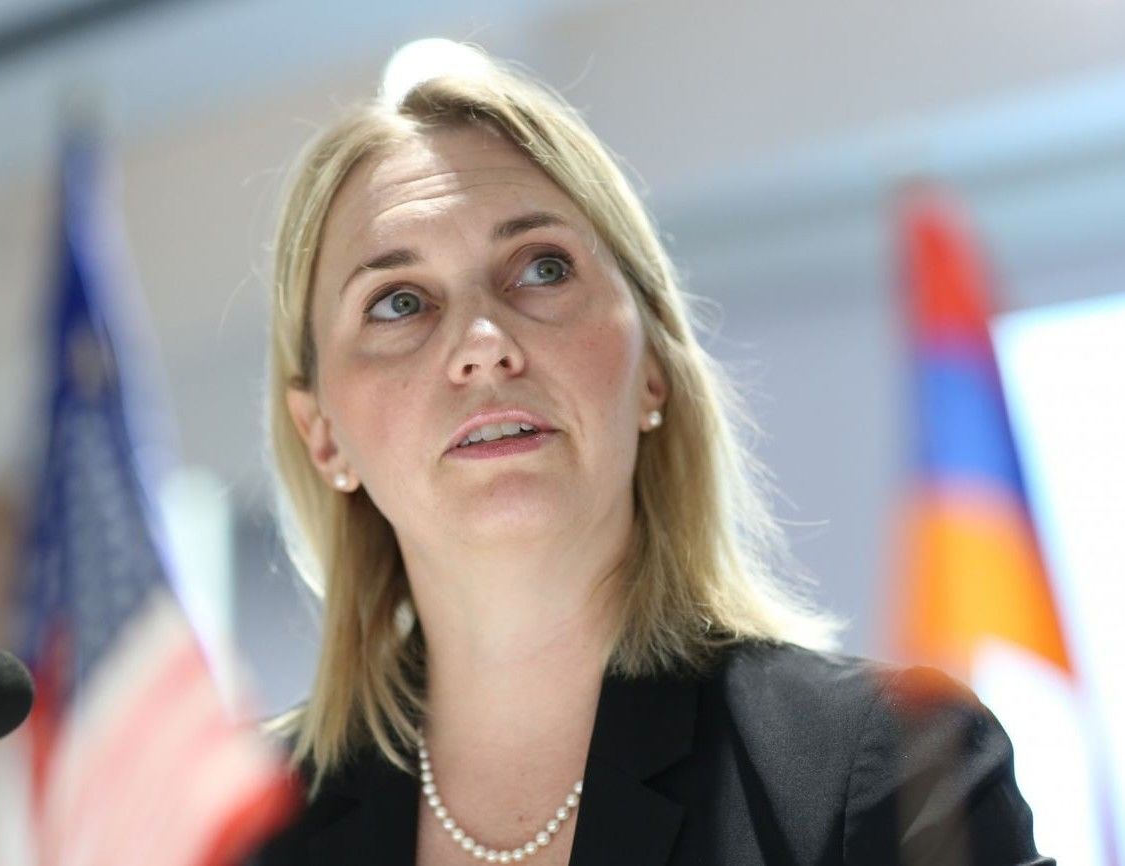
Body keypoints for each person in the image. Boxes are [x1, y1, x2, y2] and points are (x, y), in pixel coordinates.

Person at [251, 45, 1051, 866]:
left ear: (653, 370)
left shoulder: (893, 764)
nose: (482, 343)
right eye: (397, 303)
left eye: (542, 268)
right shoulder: (234, 836)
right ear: (322, 436)